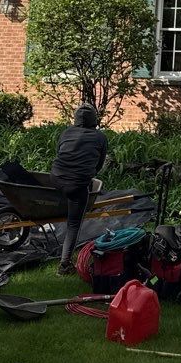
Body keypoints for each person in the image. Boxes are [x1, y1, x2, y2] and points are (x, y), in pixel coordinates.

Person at [49, 102, 108, 275]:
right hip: (77, 184)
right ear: (94, 120)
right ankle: (64, 265)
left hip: (56, 178)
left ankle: (61, 207)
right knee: (73, 224)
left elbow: (59, 153)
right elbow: (98, 165)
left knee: (69, 194)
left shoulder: (66, 132)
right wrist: (87, 175)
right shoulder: (100, 137)